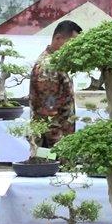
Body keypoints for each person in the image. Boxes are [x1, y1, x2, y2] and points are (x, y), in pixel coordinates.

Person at [29, 20, 82, 148]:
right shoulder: (48, 68)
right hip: (53, 144)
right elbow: (49, 115)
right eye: (72, 43)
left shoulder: (56, 64)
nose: (75, 48)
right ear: (58, 38)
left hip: (59, 140)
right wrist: (59, 151)